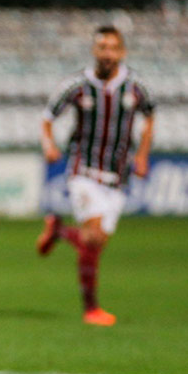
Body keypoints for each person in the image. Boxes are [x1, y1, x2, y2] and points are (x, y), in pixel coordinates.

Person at [36, 25, 155, 326]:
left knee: (96, 243)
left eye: (113, 48)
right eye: (102, 47)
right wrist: (49, 146)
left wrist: (141, 155)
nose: (107, 53)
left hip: (117, 177)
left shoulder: (136, 86)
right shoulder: (77, 85)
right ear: (94, 50)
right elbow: (48, 117)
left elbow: (150, 115)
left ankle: (59, 231)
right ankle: (91, 309)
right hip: (83, 170)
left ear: (122, 52)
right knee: (94, 235)